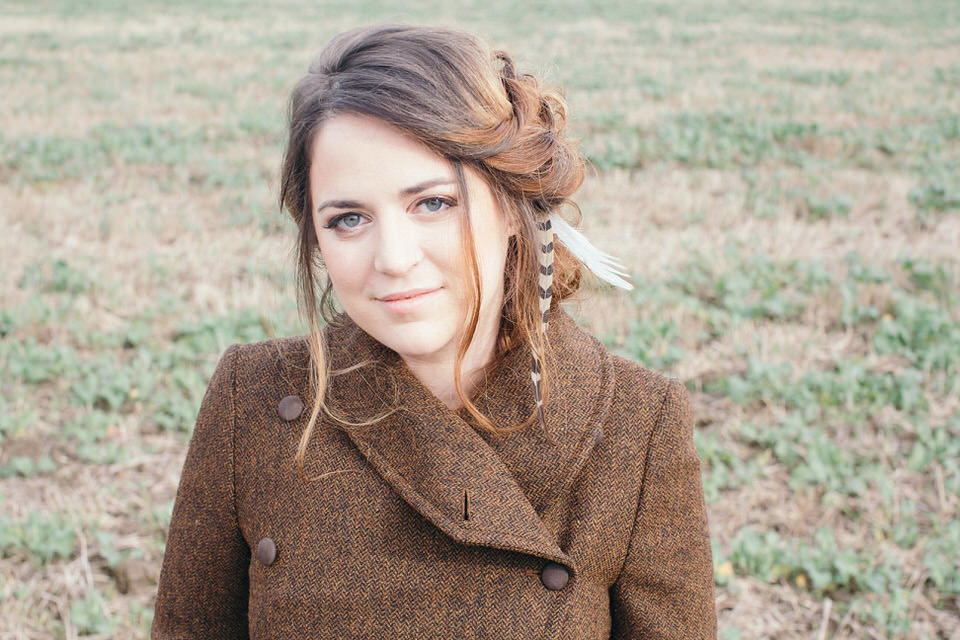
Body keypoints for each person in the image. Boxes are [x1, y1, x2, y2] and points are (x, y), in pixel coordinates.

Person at [152, 24, 716, 639]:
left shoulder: (637, 426)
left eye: (433, 204)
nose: (393, 258)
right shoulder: (253, 400)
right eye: (348, 218)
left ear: (511, 203)